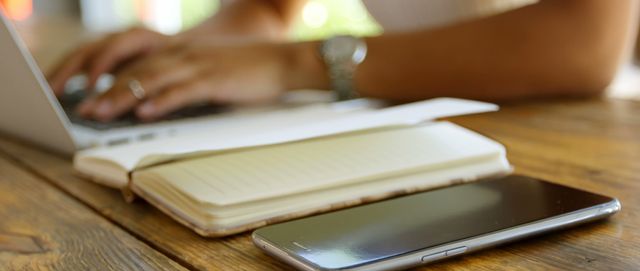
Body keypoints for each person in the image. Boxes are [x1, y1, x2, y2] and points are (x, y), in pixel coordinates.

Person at [48, 0, 638, 122]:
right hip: (428, 124)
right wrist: (183, 55)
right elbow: (268, 8)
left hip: (580, 128)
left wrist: (296, 64)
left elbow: (588, 41)